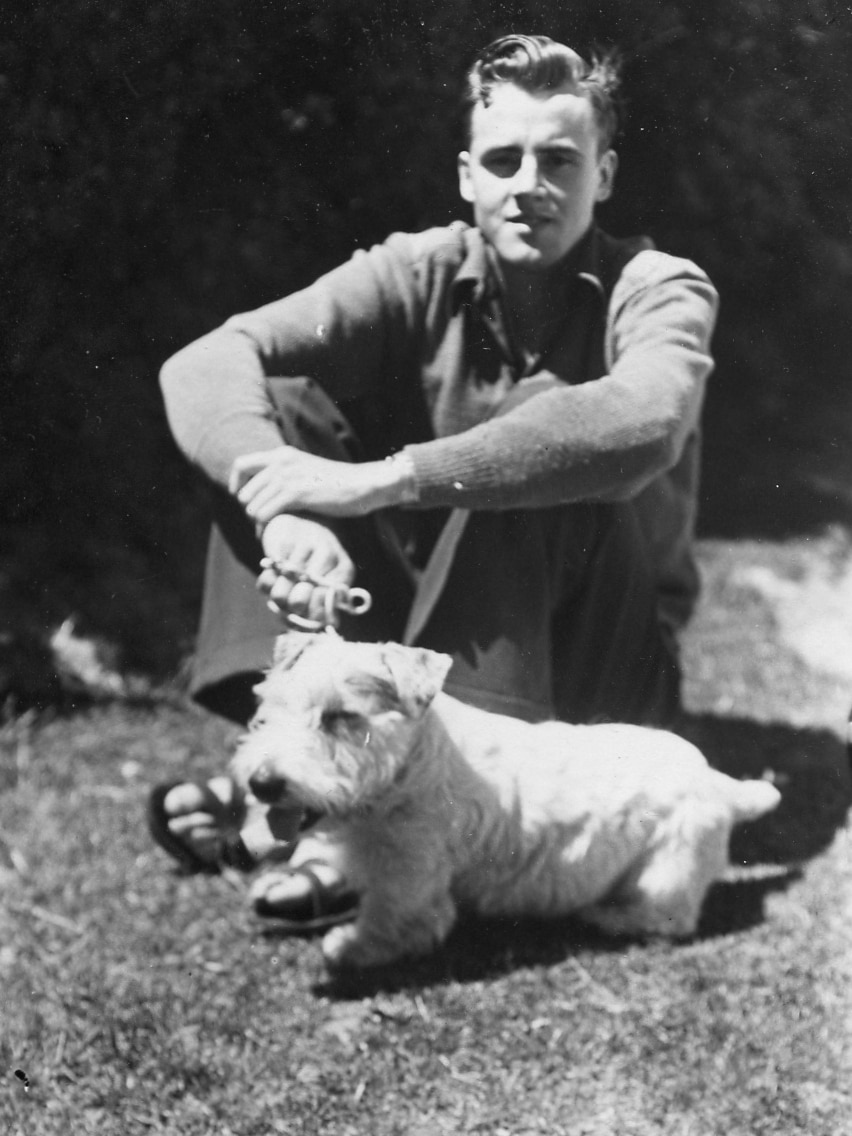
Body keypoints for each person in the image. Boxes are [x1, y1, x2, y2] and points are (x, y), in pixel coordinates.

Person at [148, 34, 719, 928]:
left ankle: (331, 849)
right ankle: (296, 788)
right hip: (425, 676)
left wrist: (390, 480)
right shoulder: (419, 269)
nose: (529, 182)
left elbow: (644, 422)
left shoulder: (655, 285)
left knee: (537, 425)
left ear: (604, 174)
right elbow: (208, 360)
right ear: (467, 175)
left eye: (560, 159)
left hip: (595, 679)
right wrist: (289, 515)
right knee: (281, 414)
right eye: (504, 158)